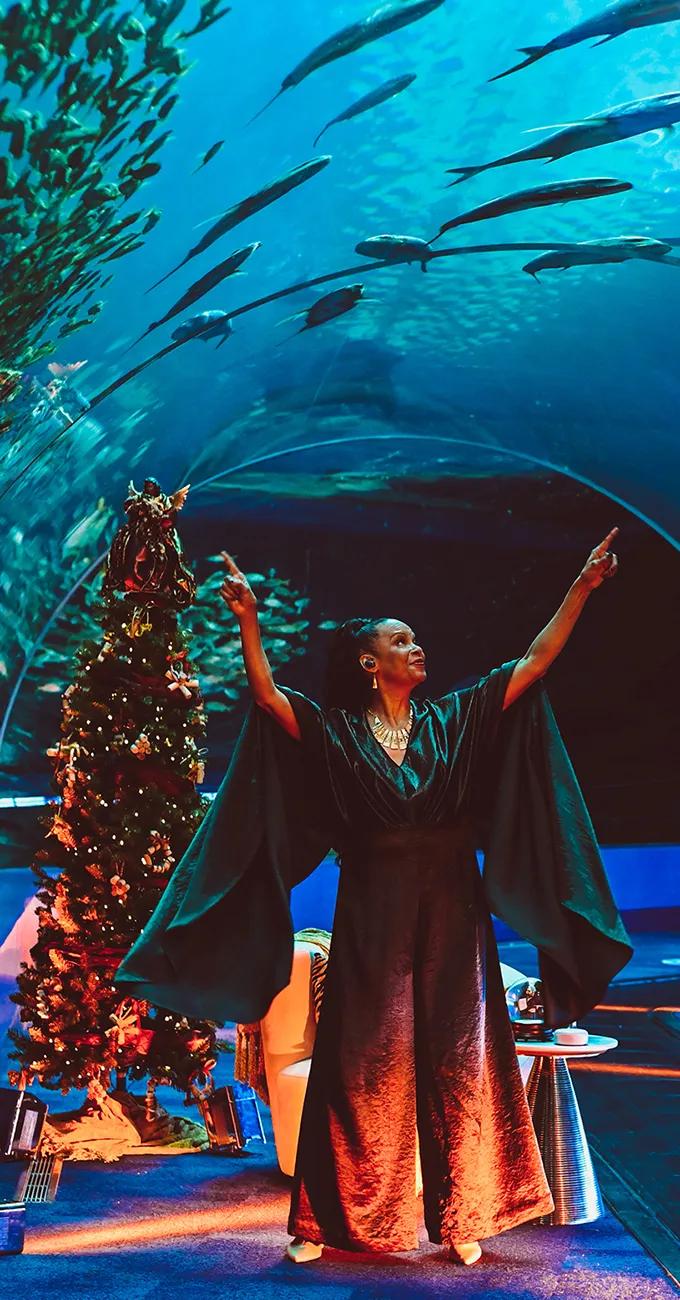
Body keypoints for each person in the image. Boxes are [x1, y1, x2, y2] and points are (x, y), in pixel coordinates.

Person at [115, 527, 632, 1267]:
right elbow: (268, 698)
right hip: (372, 913)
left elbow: (534, 661)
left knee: (461, 1055)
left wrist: (581, 586)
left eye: (415, 640)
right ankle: (322, 1221)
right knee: (360, 1062)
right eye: (401, 640)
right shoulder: (335, 734)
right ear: (369, 662)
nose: (417, 648)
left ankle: (463, 1214)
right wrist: (249, 620)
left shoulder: (454, 719)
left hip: (453, 910)